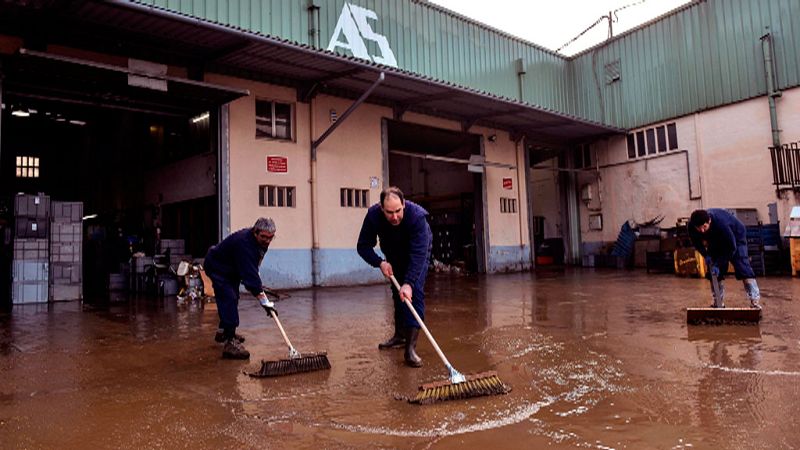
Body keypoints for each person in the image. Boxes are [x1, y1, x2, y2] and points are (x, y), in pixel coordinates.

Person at [357, 186, 433, 367]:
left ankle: (410, 349)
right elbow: (363, 246)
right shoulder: (373, 216)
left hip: (416, 253)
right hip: (392, 252)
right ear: (381, 208)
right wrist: (380, 262)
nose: (394, 217)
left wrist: (409, 283)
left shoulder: (417, 218)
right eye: (389, 212)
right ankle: (399, 336)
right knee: (397, 292)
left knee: (413, 293)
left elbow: (418, 254)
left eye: (398, 211)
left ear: (404, 204)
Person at [203, 217, 277, 359]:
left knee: (234, 296)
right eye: (264, 237)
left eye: (270, 238)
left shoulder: (261, 242)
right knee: (228, 297)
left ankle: (223, 331)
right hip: (217, 266)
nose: (267, 241)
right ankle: (230, 343)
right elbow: (250, 277)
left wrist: (255, 280)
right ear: (255, 232)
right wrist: (264, 302)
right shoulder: (244, 243)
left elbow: (253, 267)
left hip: (232, 267)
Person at [688, 209, 761, 309]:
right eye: (699, 228)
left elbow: (731, 248)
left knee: (742, 267)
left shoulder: (721, 223)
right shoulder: (692, 226)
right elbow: (697, 243)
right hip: (714, 239)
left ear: (709, 221)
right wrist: (706, 255)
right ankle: (718, 302)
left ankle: (755, 302)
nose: (702, 231)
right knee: (713, 272)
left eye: (704, 227)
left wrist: (718, 263)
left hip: (735, 236)